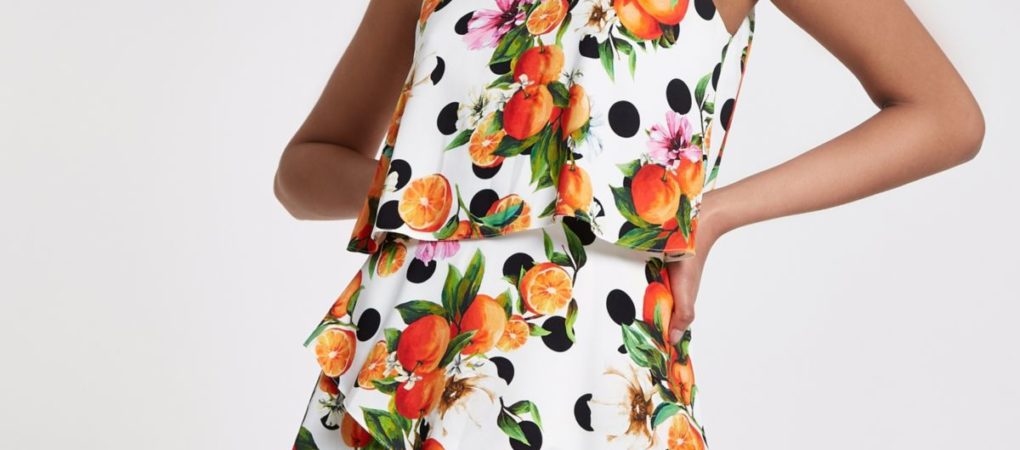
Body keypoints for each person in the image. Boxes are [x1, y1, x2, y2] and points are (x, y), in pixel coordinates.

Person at [274, 0, 984, 449]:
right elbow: (303, 171)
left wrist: (715, 215)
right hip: (401, 367)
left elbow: (945, 116)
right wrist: (440, 187)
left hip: (591, 379)